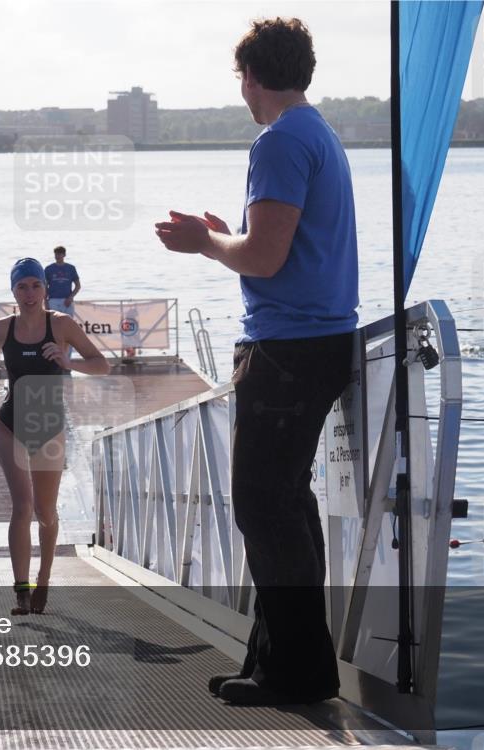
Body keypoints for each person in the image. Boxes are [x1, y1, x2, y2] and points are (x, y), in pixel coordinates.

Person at [154, 17, 358, 707]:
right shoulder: (318, 132)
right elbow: (280, 246)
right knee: (285, 505)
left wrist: (205, 243)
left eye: (239, 78)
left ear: (250, 76)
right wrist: (227, 236)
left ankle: (298, 672)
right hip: (319, 340)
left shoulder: (279, 141)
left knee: (262, 506)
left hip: (287, 348)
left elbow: (265, 258)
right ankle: (280, 663)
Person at [0, 258, 110, 615]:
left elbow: (101, 364)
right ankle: (21, 591)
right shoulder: (2, 327)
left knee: (45, 512)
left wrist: (69, 363)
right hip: (8, 426)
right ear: (13, 291)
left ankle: (44, 579)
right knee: (22, 507)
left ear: (46, 288)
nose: (30, 293)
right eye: (22, 287)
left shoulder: (62, 324)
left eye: (35, 285)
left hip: (48, 428)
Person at [44, 246, 81, 317]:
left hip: (67, 300)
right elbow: (44, 286)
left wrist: (71, 297)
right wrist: (45, 301)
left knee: (68, 322)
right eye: (56, 254)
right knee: (54, 322)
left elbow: (78, 285)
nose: (57, 256)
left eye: (59, 254)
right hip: (53, 300)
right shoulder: (49, 269)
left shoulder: (71, 268)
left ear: (64, 255)